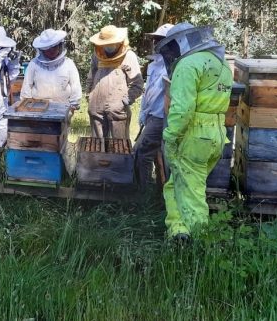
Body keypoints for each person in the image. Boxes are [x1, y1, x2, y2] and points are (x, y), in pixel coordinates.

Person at [156, 22, 232, 241]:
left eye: (171, 47)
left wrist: (170, 136)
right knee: (178, 184)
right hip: (216, 134)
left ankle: (199, 244)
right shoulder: (221, 64)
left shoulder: (188, 65)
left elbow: (183, 109)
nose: (170, 53)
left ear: (181, 43)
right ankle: (179, 232)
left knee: (192, 193)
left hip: (193, 136)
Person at [86, 25, 144, 139]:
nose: (108, 46)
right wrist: (89, 95)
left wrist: (126, 100)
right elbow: (91, 76)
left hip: (118, 110)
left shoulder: (129, 56)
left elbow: (137, 84)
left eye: (111, 43)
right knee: (96, 144)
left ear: (118, 42)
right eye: (105, 44)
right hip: (96, 107)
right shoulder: (97, 55)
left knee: (120, 144)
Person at [134, 23, 173, 187]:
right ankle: (155, 187)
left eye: (159, 40)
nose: (156, 43)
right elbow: (149, 91)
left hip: (160, 117)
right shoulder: (155, 63)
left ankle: (144, 190)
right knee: (151, 152)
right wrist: (144, 113)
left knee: (141, 151)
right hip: (152, 115)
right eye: (155, 39)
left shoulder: (173, 65)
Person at [20, 29, 82, 110]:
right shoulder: (34, 64)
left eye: (54, 47)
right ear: (42, 50)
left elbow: (75, 85)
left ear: (59, 46)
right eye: (47, 49)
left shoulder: (68, 63)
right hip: (38, 107)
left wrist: (74, 103)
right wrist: (26, 103)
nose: (51, 51)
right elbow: (27, 86)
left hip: (63, 106)